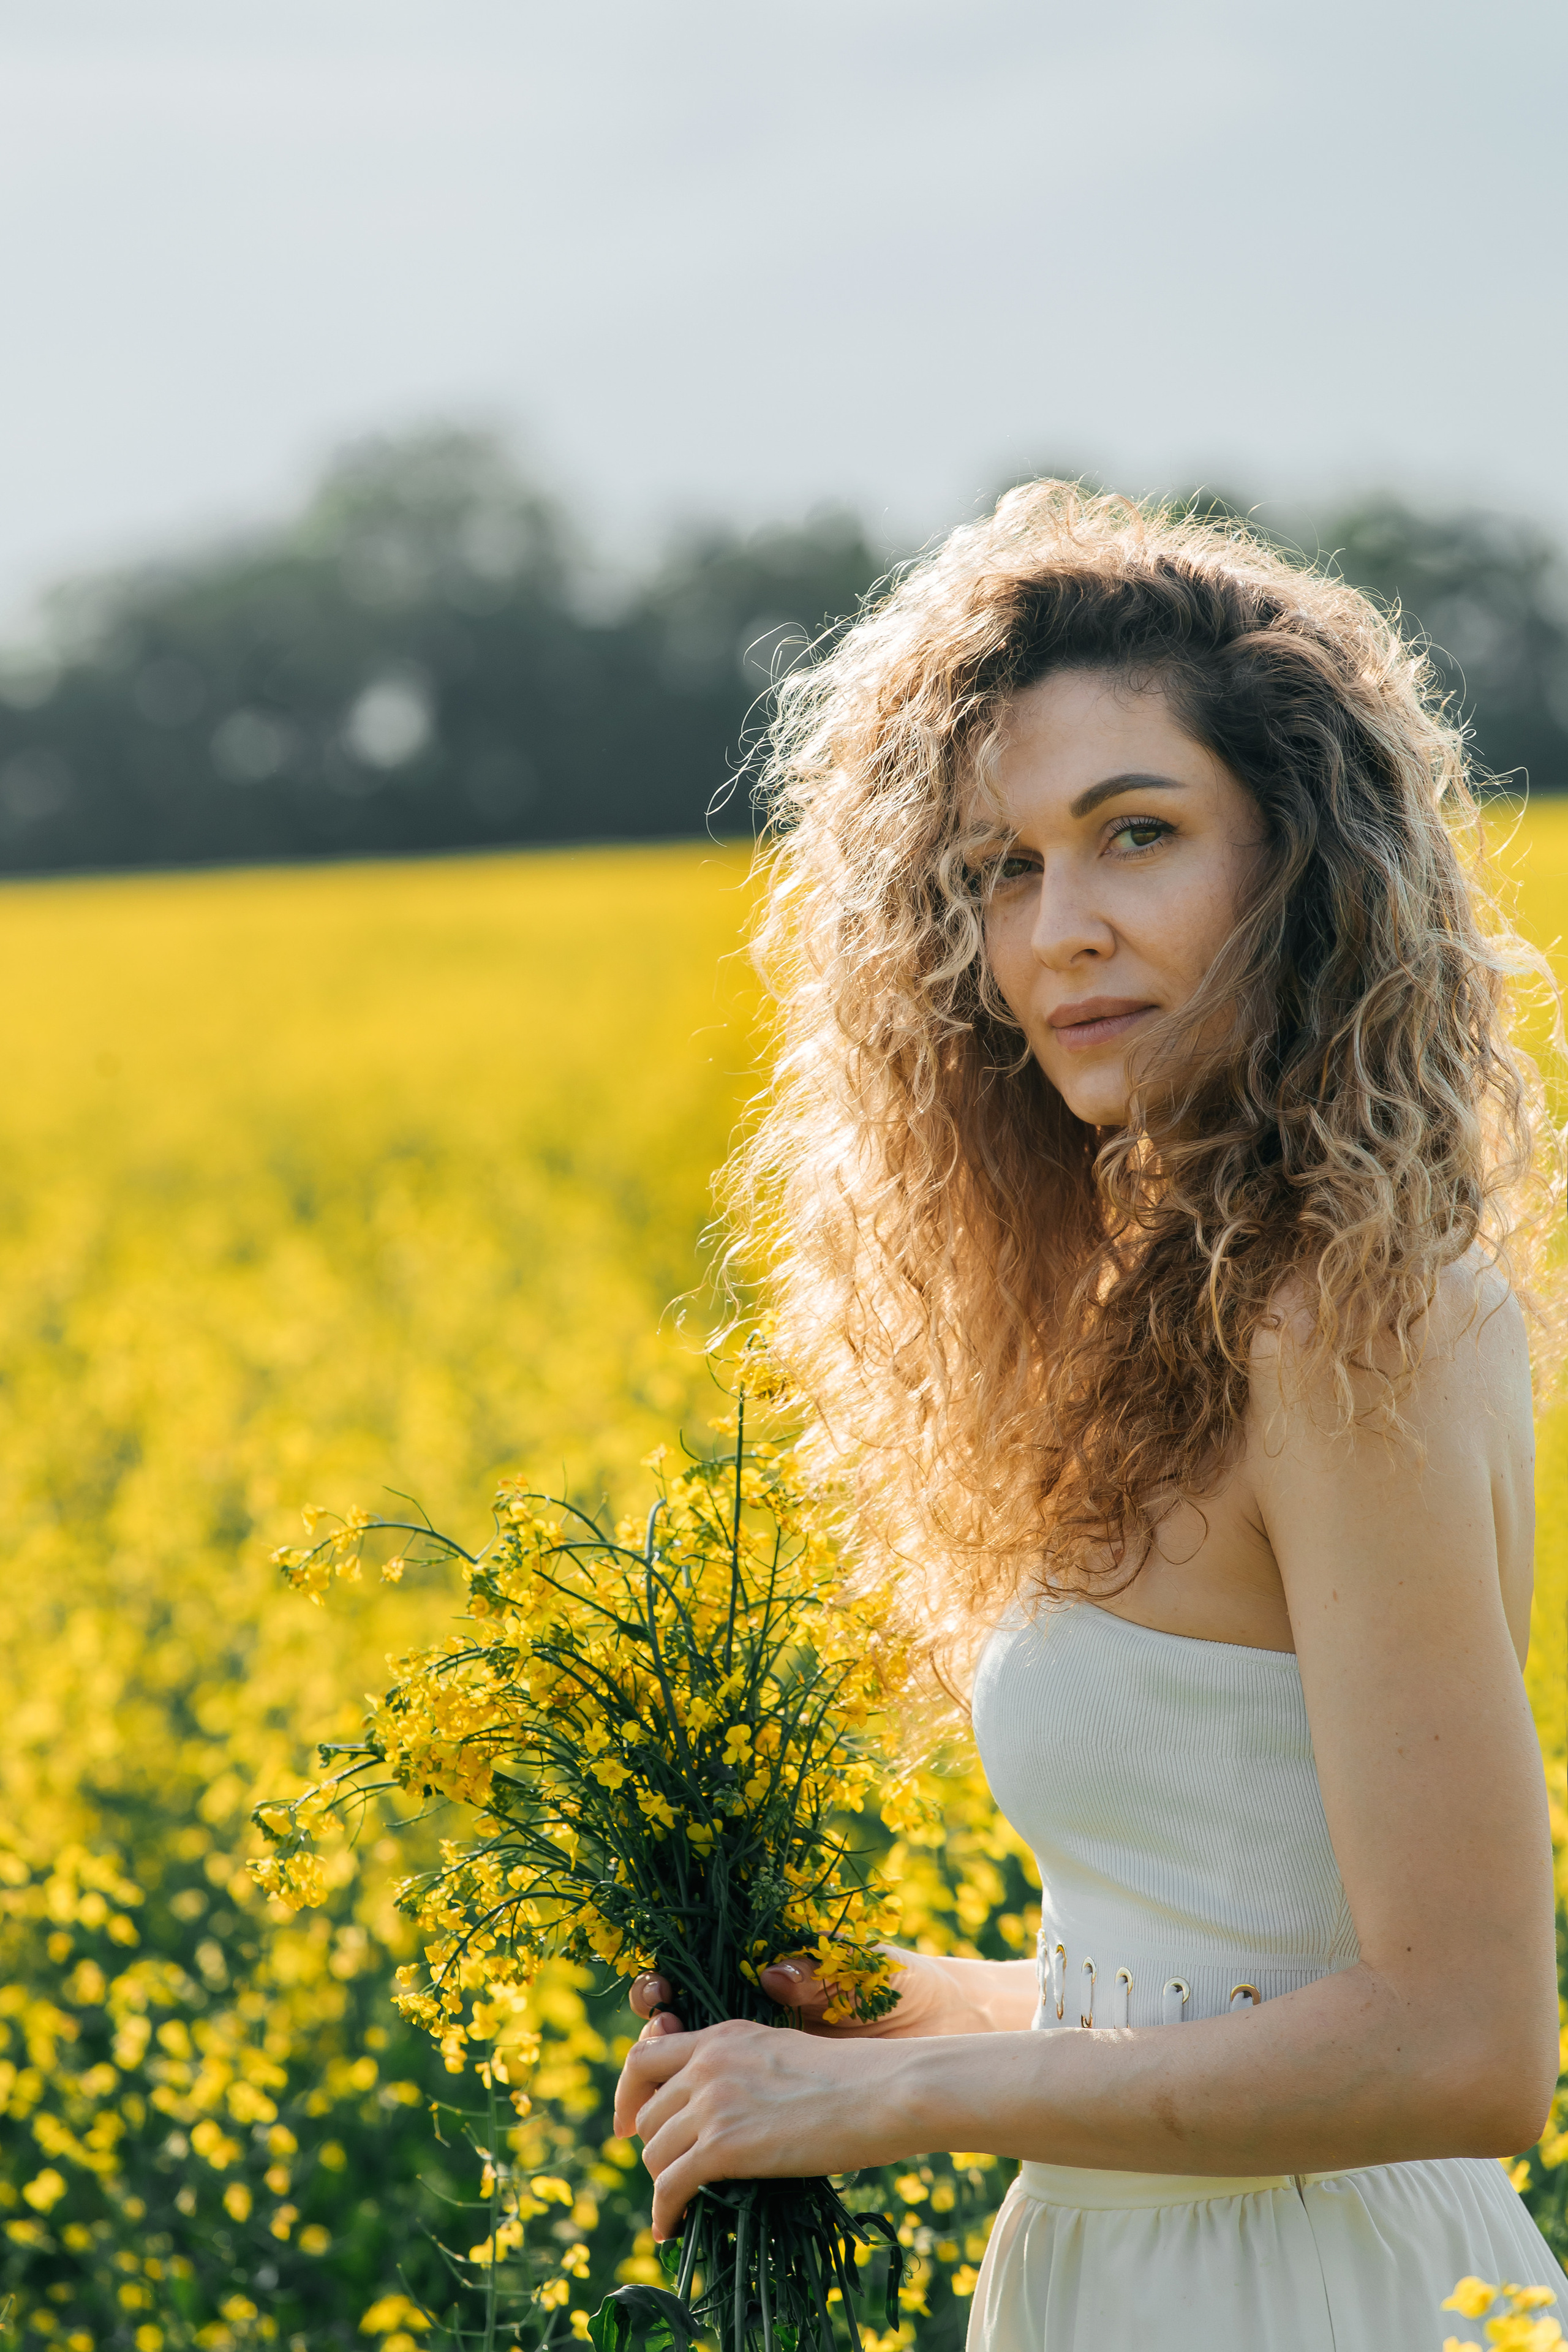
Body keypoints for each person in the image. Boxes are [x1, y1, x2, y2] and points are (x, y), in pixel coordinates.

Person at [612, 484, 1567, 2347]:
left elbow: (1462, 2045)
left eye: (1137, 835)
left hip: (1320, 2290)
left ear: (1293, 864)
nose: (1062, 930)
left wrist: (889, 2106)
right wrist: (889, 2012)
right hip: (1128, 2273)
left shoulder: (1345, 1320)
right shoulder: (1168, 1301)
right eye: (1000, 869)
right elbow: (1219, 1969)